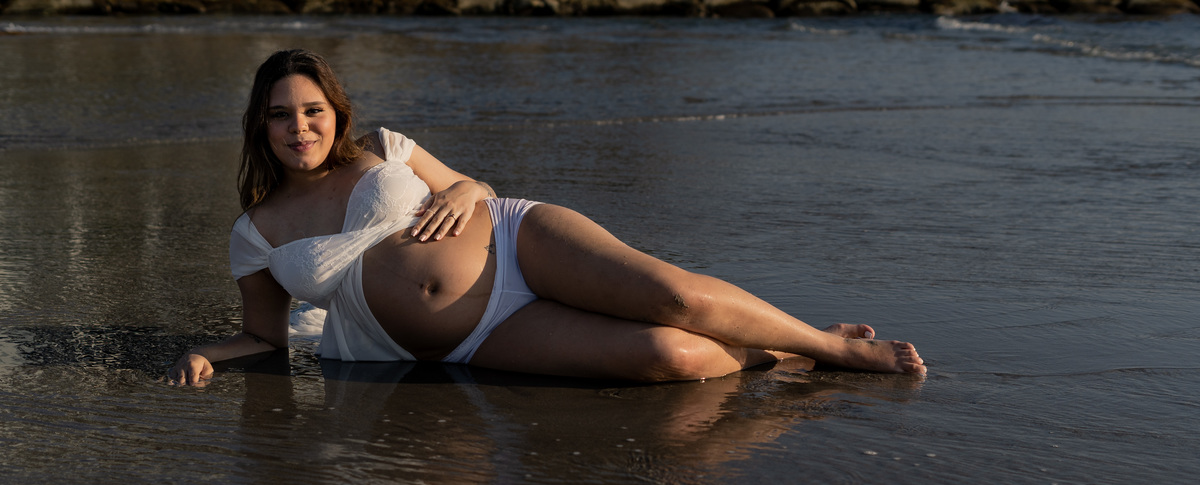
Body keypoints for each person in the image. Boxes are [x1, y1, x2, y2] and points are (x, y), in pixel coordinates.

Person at [169, 49, 924, 387]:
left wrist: (466, 189)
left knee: (676, 298)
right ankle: (781, 355)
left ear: (336, 112)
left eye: (312, 110)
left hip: (517, 241)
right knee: (670, 357)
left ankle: (830, 345)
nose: (300, 127)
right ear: (261, 125)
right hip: (474, 337)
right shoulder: (257, 231)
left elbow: (469, 185)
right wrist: (207, 354)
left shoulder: (385, 148)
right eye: (281, 115)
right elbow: (266, 336)